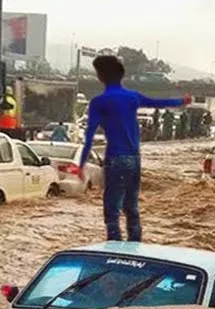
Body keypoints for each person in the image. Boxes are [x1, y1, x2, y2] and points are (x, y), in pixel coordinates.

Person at [79, 54, 190, 243]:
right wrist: (182, 101)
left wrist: (81, 163)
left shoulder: (98, 102)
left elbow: (89, 135)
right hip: (135, 158)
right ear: (121, 75)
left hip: (115, 158)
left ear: (100, 77)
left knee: (112, 209)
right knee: (132, 207)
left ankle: (114, 248)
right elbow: (159, 103)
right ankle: (135, 247)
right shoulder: (133, 97)